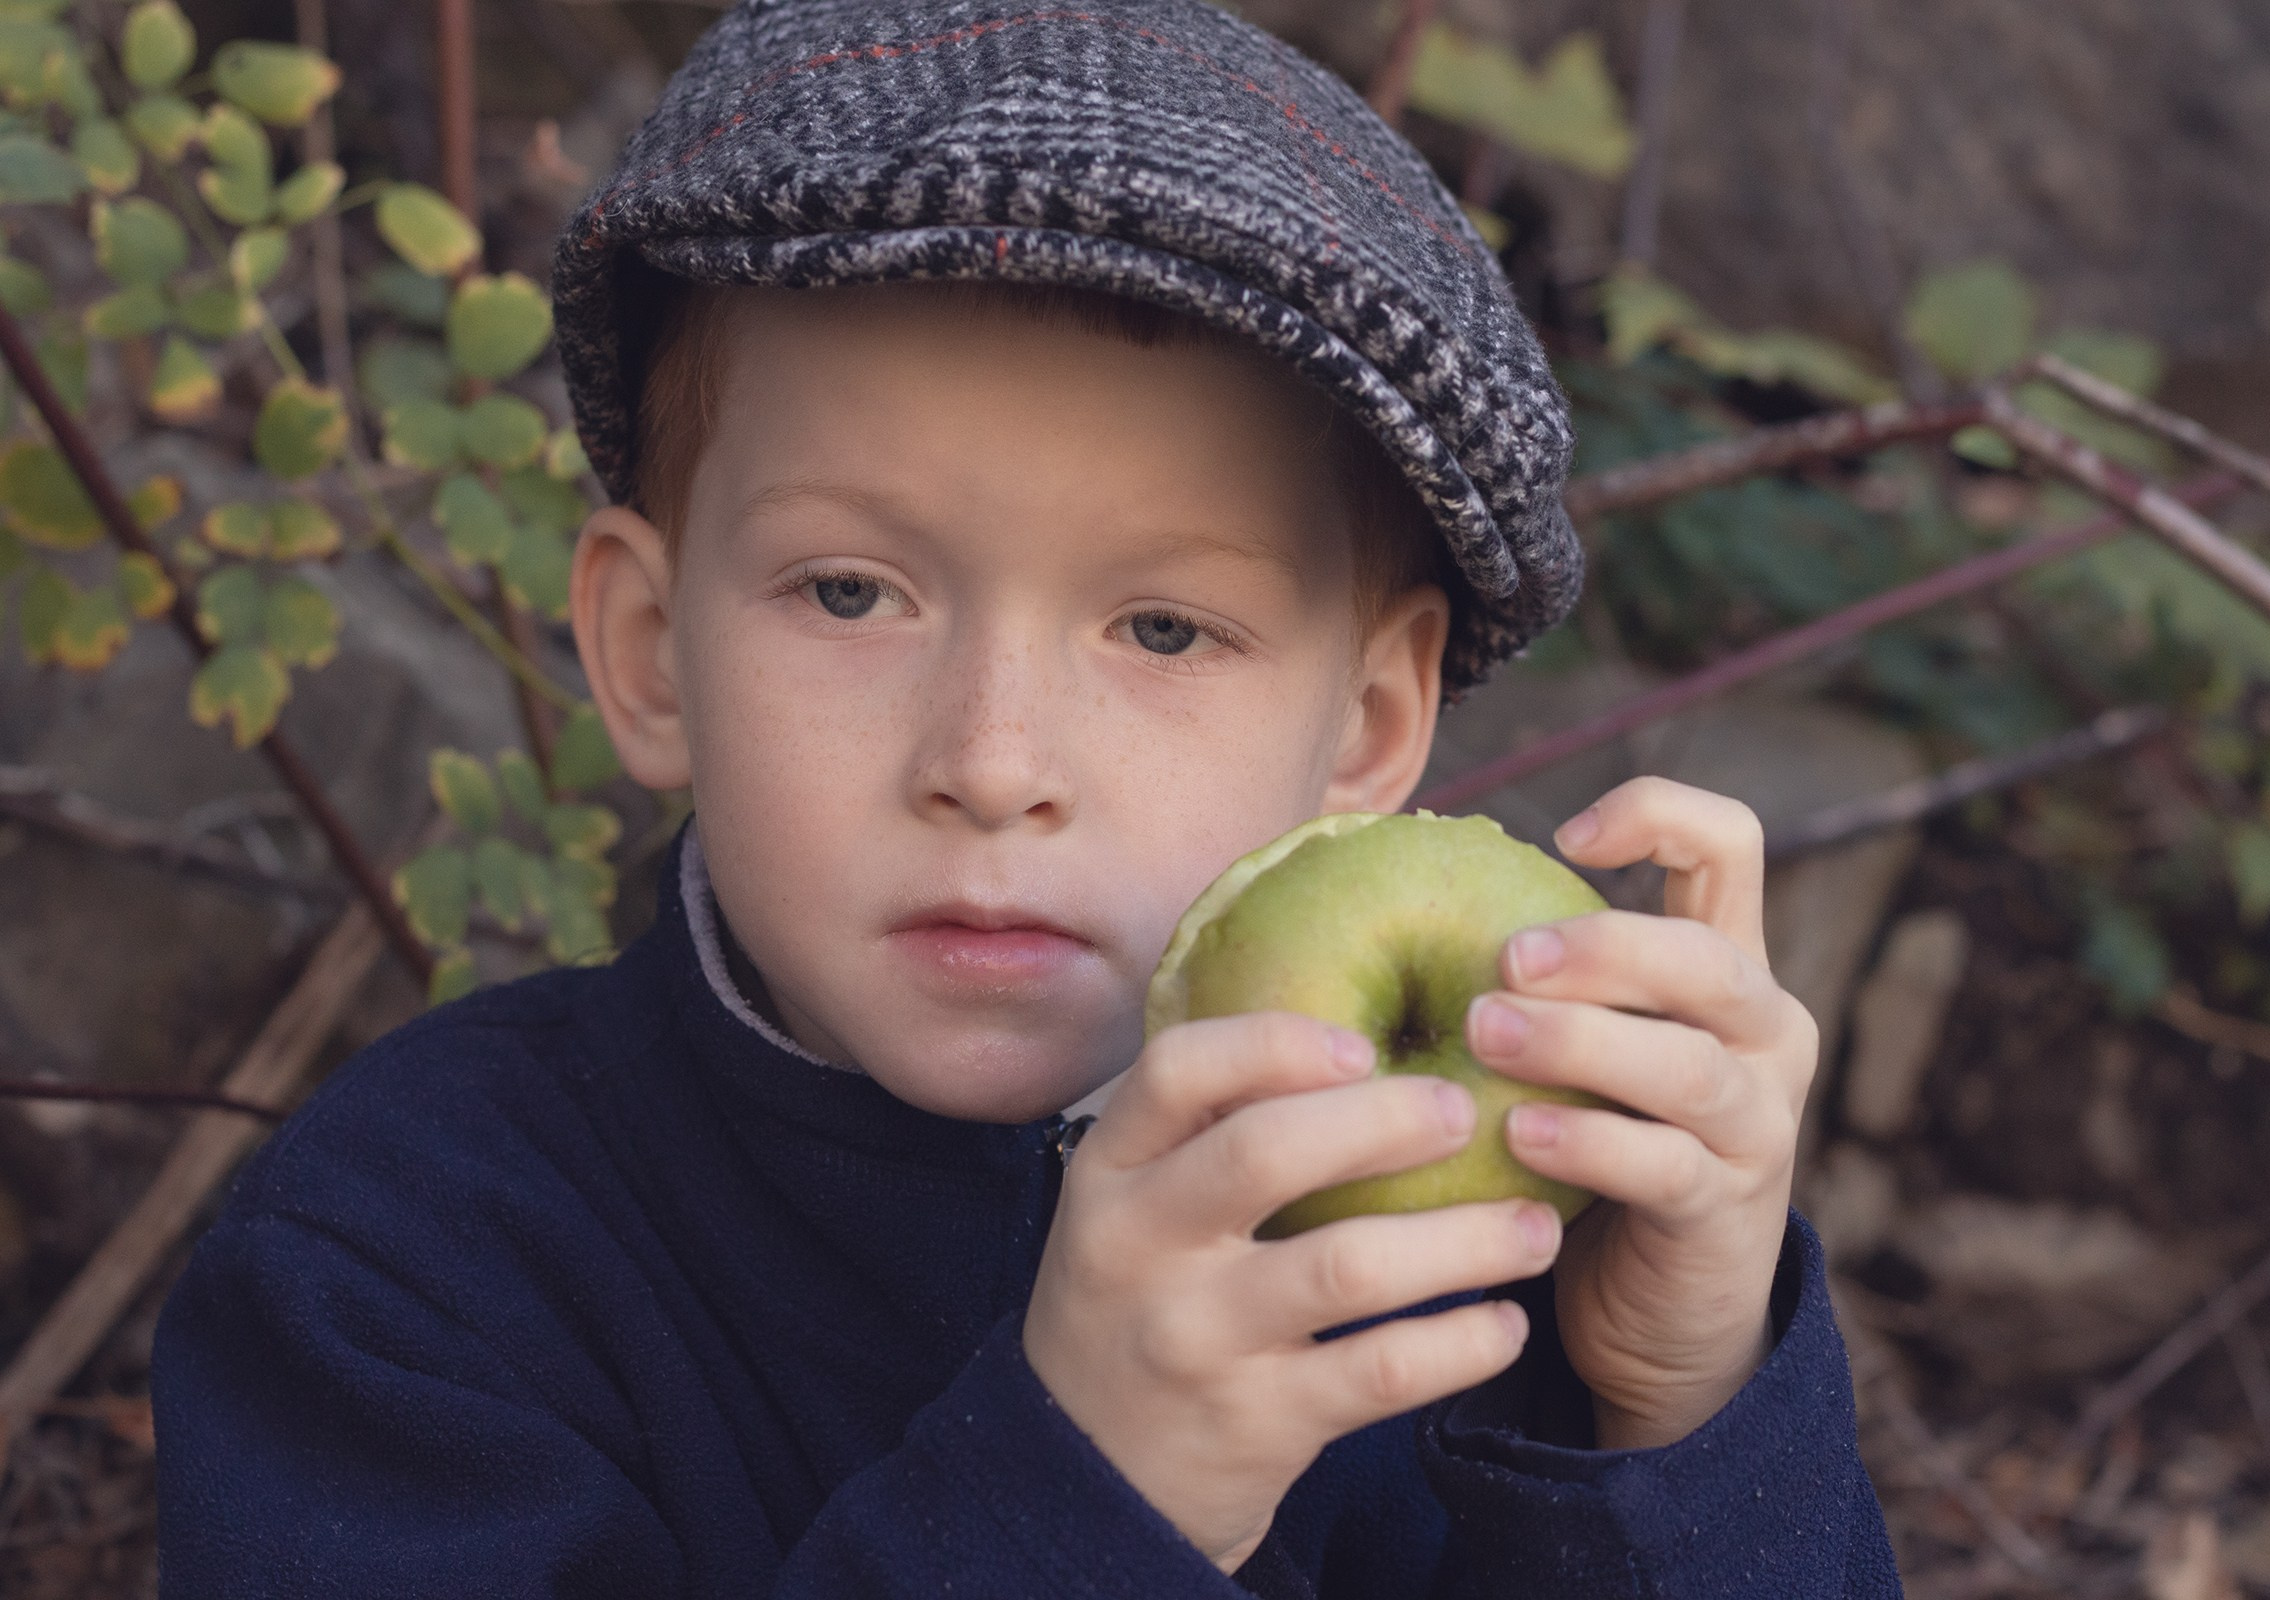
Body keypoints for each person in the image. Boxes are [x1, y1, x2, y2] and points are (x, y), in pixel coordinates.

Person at [153, 0, 1903, 1593]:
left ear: (1370, 729)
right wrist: (1084, 1498)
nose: (992, 763)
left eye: (1164, 625)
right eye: (850, 592)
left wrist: (1682, 1419)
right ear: (647, 651)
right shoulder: (405, 1272)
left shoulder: (1493, 1262)